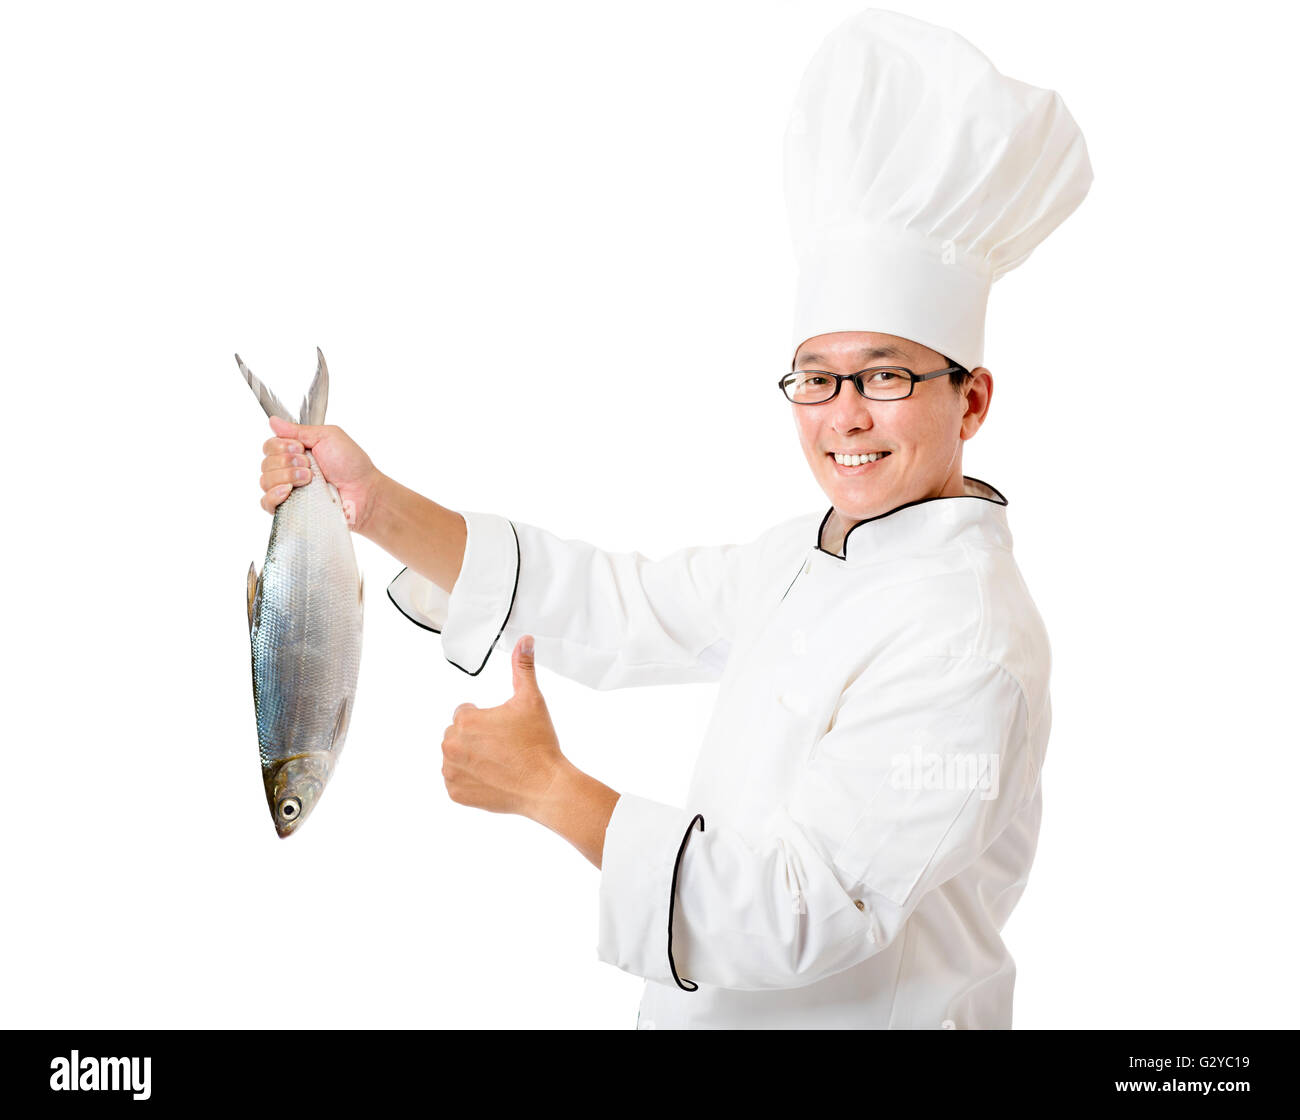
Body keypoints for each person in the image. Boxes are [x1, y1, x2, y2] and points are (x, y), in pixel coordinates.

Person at [256, 9, 1092, 1028]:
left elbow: (805, 907)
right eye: (816, 380)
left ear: (970, 400)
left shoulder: (967, 640)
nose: (844, 417)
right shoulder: (808, 552)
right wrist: (372, 504)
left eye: (885, 374)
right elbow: (622, 603)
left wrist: (549, 789)